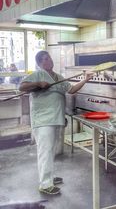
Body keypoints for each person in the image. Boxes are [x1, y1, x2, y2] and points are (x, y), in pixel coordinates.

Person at [19, 50, 93, 196]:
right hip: (43, 120)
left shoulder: (58, 77)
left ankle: (49, 177)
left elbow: (71, 90)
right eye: (46, 59)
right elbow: (21, 87)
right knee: (45, 151)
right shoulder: (38, 74)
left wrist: (85, 80)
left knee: (50, 150)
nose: (50, 61)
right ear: (40, 62)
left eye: (50, 58)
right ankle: (45, 184)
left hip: (55, 118)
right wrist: (39, 84)